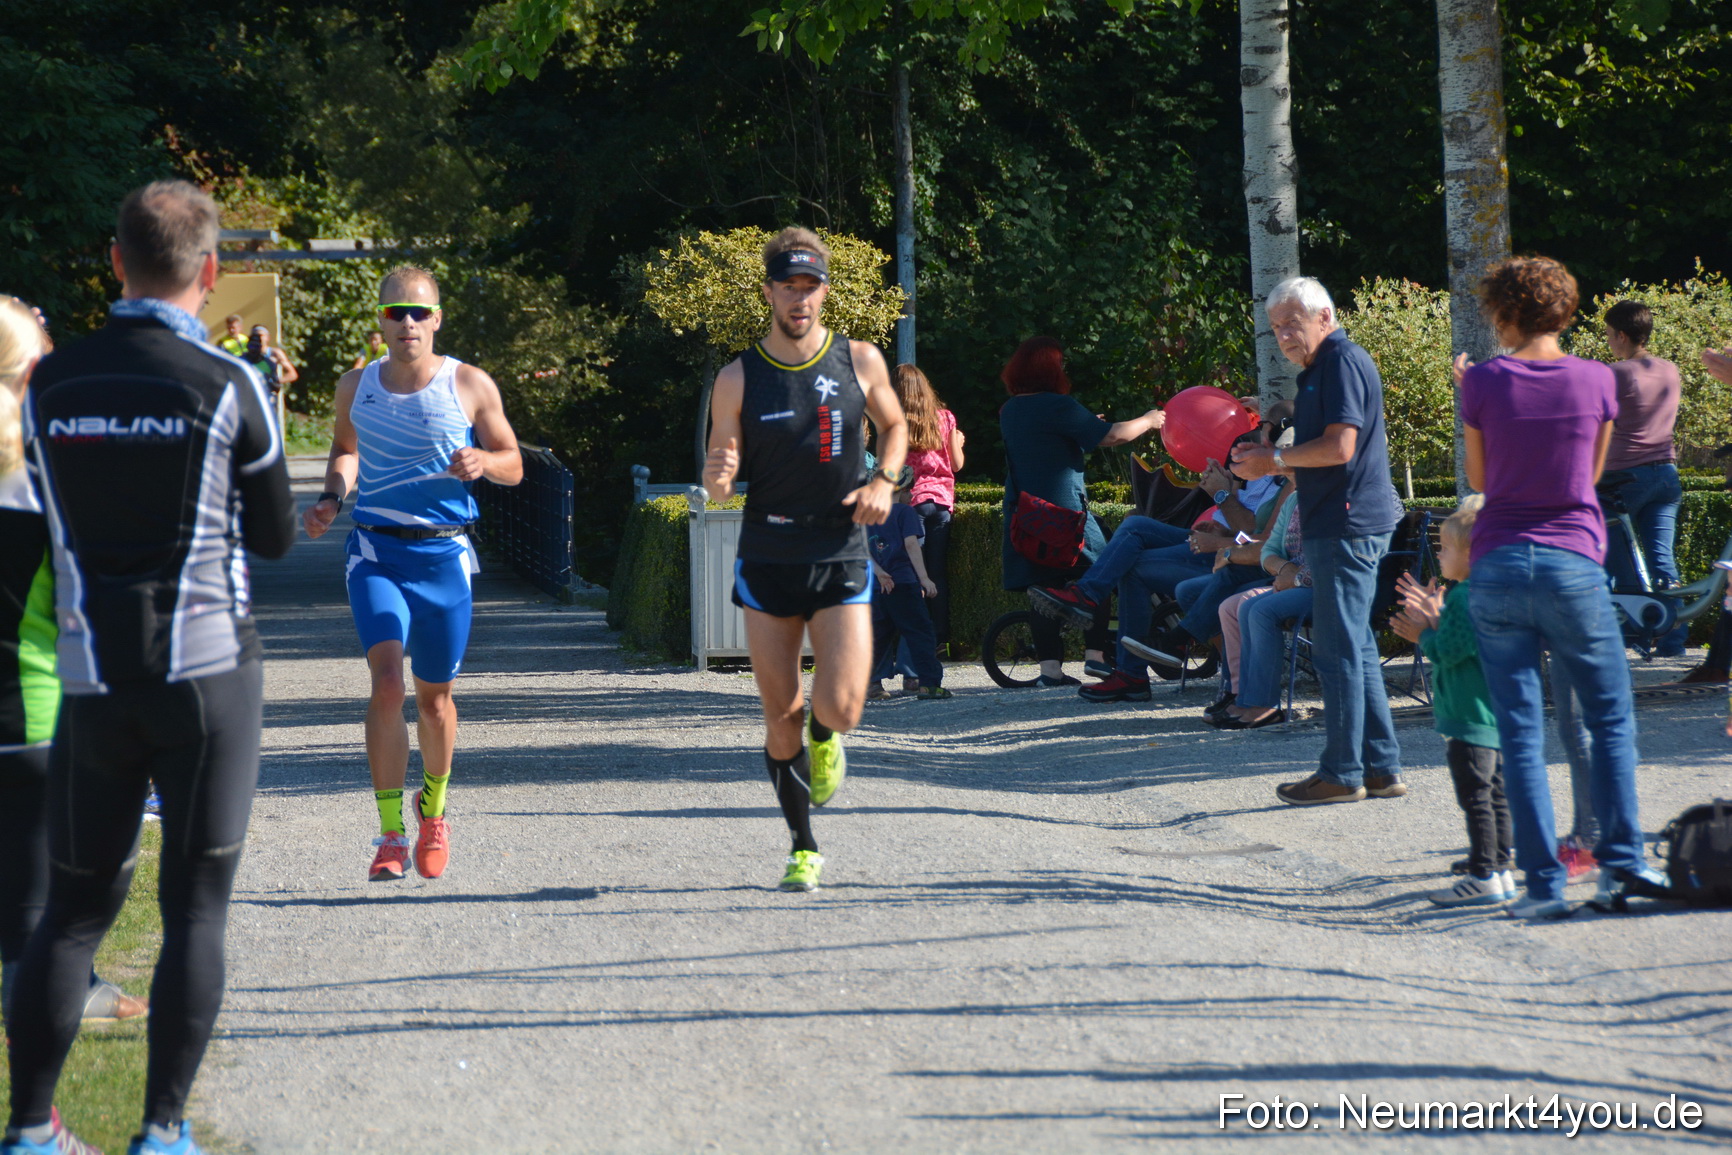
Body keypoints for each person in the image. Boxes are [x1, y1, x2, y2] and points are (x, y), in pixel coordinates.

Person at [3, 180, 295, 1155]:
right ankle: (161, 1132)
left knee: (75, 913)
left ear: (113, 261)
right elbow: (276, 535)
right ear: (210, 273)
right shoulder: (228, 383)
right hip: (208, 679)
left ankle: (30, 1131)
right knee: (195, 908)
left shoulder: (52, 383)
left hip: (91, 681)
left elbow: (43, 516)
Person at [1455, 254, 1672, 919]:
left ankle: (1543, 887)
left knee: (1520, 730)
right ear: (1567, 310)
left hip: (1497, 563)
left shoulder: (1484, 382)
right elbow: (1591, 473)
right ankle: (1621, 866)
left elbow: (1480, 475)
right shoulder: (1596, 378)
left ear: (1503, 313)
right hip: (1572, 559)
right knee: (1609, 718)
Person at [702, 226, 906, 893]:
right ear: (768, 292)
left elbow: (897, 425)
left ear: (824, 291)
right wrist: (719, 473)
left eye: (810, 287)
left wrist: (885, 482)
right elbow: (719, 480)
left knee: (843, 705)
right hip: (768, 551)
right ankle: (802, 844)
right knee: (778, 711)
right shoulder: (736, 378)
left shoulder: (861, 360)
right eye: (788, 287)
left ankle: (828, 736)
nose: (799, 299)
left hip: (839, 543)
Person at [303, 266, 523, 883]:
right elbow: (345, 449)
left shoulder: (469, 384)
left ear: (437, 319)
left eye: (418, 313)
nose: (407, 323)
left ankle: (435, 811)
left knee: (435, 702)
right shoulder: (356, 385)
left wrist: (485, 461)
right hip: (376, 552)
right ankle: (390, 832)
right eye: (395, 312)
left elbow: (515, 464)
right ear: (379, 320)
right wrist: (330, 498)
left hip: (445, 556)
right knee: (387, 685)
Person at [0, 299, 150, 1039]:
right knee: (80, 859)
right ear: (35, 371)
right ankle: (46, 997)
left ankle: (60, 979)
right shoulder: (50, 477)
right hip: (32, 708)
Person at [1232, 276, 1406, 806]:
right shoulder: (1321, 369)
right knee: (1353, 644)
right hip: (1341, 522)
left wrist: (1273, 461)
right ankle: (1379, 768)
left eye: (1293, 322)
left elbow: (1340, 447)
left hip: (1347, 524)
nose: (1283, 334)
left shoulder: (1340, 362)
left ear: (1325, 318)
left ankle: (1342, 772)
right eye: (1276, 326)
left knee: (1337, 650)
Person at [1000, 338, 1164, 690]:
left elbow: (1047, 439)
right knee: (1099, 574)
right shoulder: (1059, 405)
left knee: (1042, 587)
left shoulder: (1010, 410)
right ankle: (1095, 658)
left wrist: (1085, 424)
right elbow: (1113, 436)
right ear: (1050, 370)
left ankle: (1050, 672)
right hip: (1065, 512)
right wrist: (1149, 421)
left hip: (1026, 513)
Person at [1391, 496, 1514, 906]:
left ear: (1469, 554)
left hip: (1468, 713)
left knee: (1475, 795)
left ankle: (1483, 874)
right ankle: (1499, 866)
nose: (1439, 555)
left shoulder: (1464, 597)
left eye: (1444, 548)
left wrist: (1422, 633)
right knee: (1495, 793)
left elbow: (1449, 650)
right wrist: (1436, 617)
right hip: (1490, 712)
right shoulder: (1488, 592)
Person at [1599, 299, 1686, 654]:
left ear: (1621, 335)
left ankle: (1636, 629)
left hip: (1623, 479)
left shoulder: (1616, 374)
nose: (1607, 341)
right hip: (1666, 475)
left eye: (1607, 334)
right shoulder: (1669, 370)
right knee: (1661, 559)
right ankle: (1673, 640)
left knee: (1613, 556)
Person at [1211, 485, 1306, 729]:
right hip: (1289, 580)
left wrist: (1297, 579)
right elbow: (1270, 549)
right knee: (1232, 606)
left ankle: (1264, 704)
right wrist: (1285, 570)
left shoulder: (1342, 497)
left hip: (1324, 587)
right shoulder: (1295, 498)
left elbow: (1340, 558)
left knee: (1258, 609)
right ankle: (1241, 695)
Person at [894, 363, 964, 647]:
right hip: (942, 504)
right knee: (936, 574)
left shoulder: (896, 422)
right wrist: (958, 441)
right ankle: (940, 639)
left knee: (913, 575)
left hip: (912, 504)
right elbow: (957, 465)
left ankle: (914, 638)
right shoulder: (946, 418)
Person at [867, 468, 950, 700]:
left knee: (878, 636)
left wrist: (880, 573)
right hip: (903, 583)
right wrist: (924, 578)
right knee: (920, 633)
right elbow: (912, 545)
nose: (912, 494)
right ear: (901, 489)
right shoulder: (905, 512)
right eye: (910, 488)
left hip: (878, 585)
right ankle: (929, 684)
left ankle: (871, 685)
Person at [244, 325, 297, 400]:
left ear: (267, 337)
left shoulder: (274, 353)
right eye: (255, 335)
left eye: (260, 335)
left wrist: (275, 381)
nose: (258, 338)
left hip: (268, 395)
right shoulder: (246, 354)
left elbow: (292, 374)